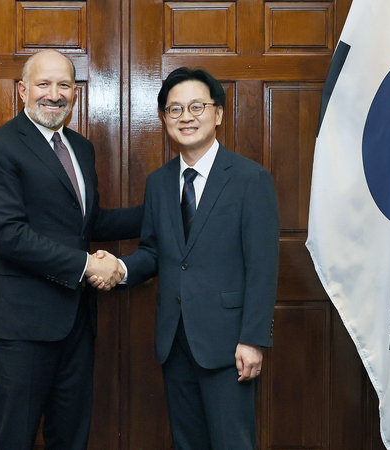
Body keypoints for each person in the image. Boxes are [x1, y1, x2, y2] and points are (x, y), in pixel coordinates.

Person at [92, 67, 279, 449]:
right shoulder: (160, 182)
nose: (186, 117)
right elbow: (154, 251)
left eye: (196, 106)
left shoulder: (250, 179)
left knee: (232, 443)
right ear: (164, 119)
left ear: (218, 113)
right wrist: (121, 268)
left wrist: (253, 339)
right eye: (175, 109)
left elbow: (263, 266)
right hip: (174, 341)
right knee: (186, 443)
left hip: (229, 345)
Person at [0, 49, 143, 450]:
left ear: (75, 93)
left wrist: (162, 210)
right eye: (43, 84)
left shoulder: (81, 148)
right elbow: (10, 235)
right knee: (13, 440)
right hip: (20, 329)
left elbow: (87, 224)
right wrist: (88, 266)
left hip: (76, 324)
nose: (54, 94)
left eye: (64, 85)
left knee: (71, 439)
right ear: (22, 90)